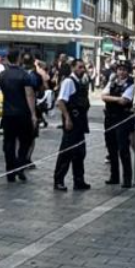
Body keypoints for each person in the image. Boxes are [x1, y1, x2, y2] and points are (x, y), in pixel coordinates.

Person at [0, 49, 37, 182]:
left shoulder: (2, 75)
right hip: (23, 113)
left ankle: (10, 170)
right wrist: (33, 114)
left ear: (8, 59)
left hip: (8, 113)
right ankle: (20, 166)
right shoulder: (24, 75)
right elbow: (29, 94)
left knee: (9, 143)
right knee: (25, 141)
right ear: (19, 59)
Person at [54, 60, 92, 191]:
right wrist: (67, 118)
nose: (82, 70)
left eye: (83, 67)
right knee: (66, 152)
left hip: (80, 122)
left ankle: (79, 180)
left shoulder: (81, 82)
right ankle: (58, 180)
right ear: (73, 68)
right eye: (80, 67)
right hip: (72, 121)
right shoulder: (69, 82)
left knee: (80, 153)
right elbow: (60, 101)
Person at [103, 61, 135, 188]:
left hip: (123, 118)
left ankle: (127, 178)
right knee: (111, 148)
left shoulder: (131, 84)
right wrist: (116, 98)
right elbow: (103, 96)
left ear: (128, 71)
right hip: (110, 118)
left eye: (124, 70)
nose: (121, 72)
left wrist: (112, 98)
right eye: (119, 69)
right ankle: (114, 176)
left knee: (123, 149)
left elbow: (125, 101)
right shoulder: (112, 82)